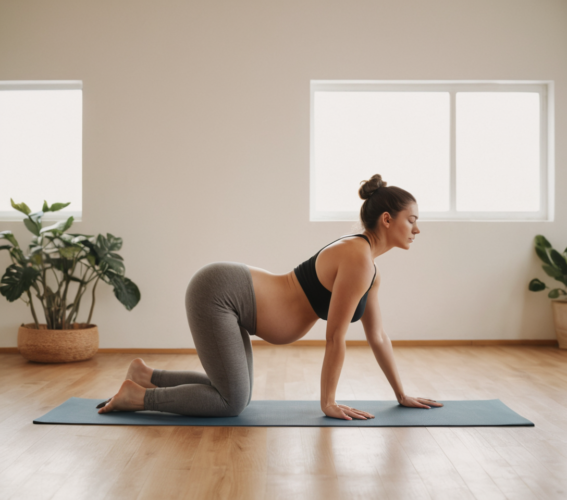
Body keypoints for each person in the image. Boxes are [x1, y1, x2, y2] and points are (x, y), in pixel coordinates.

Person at [97, 174, 444, 419]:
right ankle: (139, 397)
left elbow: (378, 335)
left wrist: (401, 395)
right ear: (387, 219)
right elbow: (336, 335)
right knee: (231, 403)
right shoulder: (358, 258)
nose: (417, 229)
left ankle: (145, 376)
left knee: (234, 395)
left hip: (234, 297)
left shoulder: (368, 267)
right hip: (221, 293)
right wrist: (328, 403)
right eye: (411, 220)